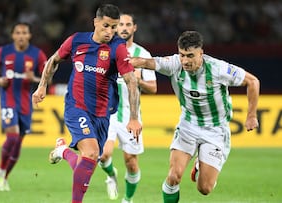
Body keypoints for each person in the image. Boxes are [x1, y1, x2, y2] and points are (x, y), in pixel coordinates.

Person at [129, 31, 260, 203]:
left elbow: (253, 81)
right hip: (188, 125)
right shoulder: (175, 63)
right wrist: (119, 62)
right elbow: (146, 62)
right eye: (182, 55)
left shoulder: (218, 69)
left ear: (201, 53)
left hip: (215, 130)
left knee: (204, 188)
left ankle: (200, 165)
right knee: (174, 176)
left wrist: (251, 115)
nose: (185, 61)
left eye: (190, 56)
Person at [31, 4, 142, 203]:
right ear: (96, 22)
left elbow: (131, 81)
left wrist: (134, 118)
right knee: (91, 153)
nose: (110, 31)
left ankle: (63, 151)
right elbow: (53, 60)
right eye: (106, 25)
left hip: (102, 114)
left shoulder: (118, 47)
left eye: (114, 27)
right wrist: (41, 86)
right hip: (76, 107)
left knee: (87, 164)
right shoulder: (77, 40)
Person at [99, 13, 157, 203]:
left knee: (131, 163)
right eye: (120, 24)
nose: (123, 28)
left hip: (130, 116)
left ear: (134, 28)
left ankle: (128, 199)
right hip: (107, 113)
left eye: (128, 24)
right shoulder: (105, 50)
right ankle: (111, 174)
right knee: (103, 154)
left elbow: (153, 88)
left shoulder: (143, 55)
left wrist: (137, 78)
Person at [0, 22, 47, 191]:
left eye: (24, 32)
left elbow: (46, 76)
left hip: (26, 103)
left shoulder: (37, 54)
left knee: (18, 143)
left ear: (29, 35)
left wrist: (34, 78)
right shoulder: (3, 52)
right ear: (13, 35)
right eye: (18, 32)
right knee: (12, 137)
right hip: (8, 99)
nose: (21, 35)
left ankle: (5, 177)